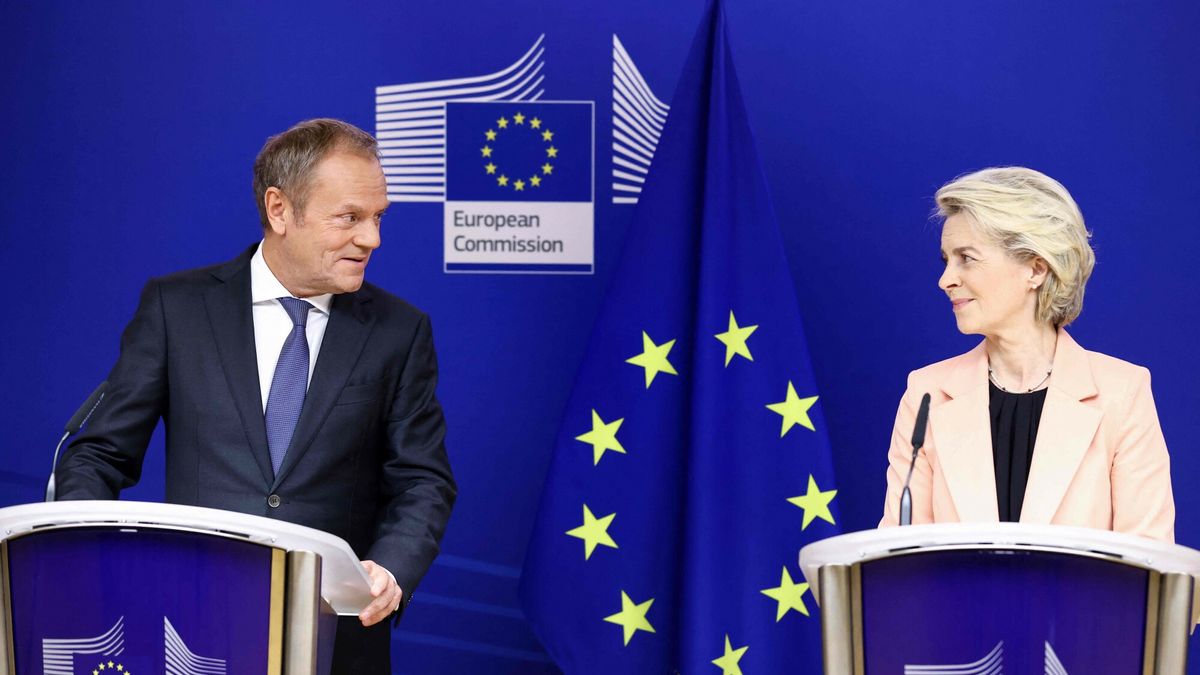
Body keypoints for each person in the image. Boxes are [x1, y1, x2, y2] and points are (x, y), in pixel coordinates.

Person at [55, 118, 456, 672]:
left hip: (336, 642)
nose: (372, 238)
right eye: (350, 218)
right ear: (279, 210)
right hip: (187, 635)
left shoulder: (400, 331)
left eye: (378, 217)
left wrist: (389, 570)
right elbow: (99, 453)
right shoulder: (178, 309)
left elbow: (423, 479)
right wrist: (82, 555)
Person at [880, 166, 1173, 542]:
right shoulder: (926, 394)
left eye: (966, 258)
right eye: (946, 260)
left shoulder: (1123, 393)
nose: (945, 279)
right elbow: (900, 560)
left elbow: (1150, 565)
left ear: (1035, 269)